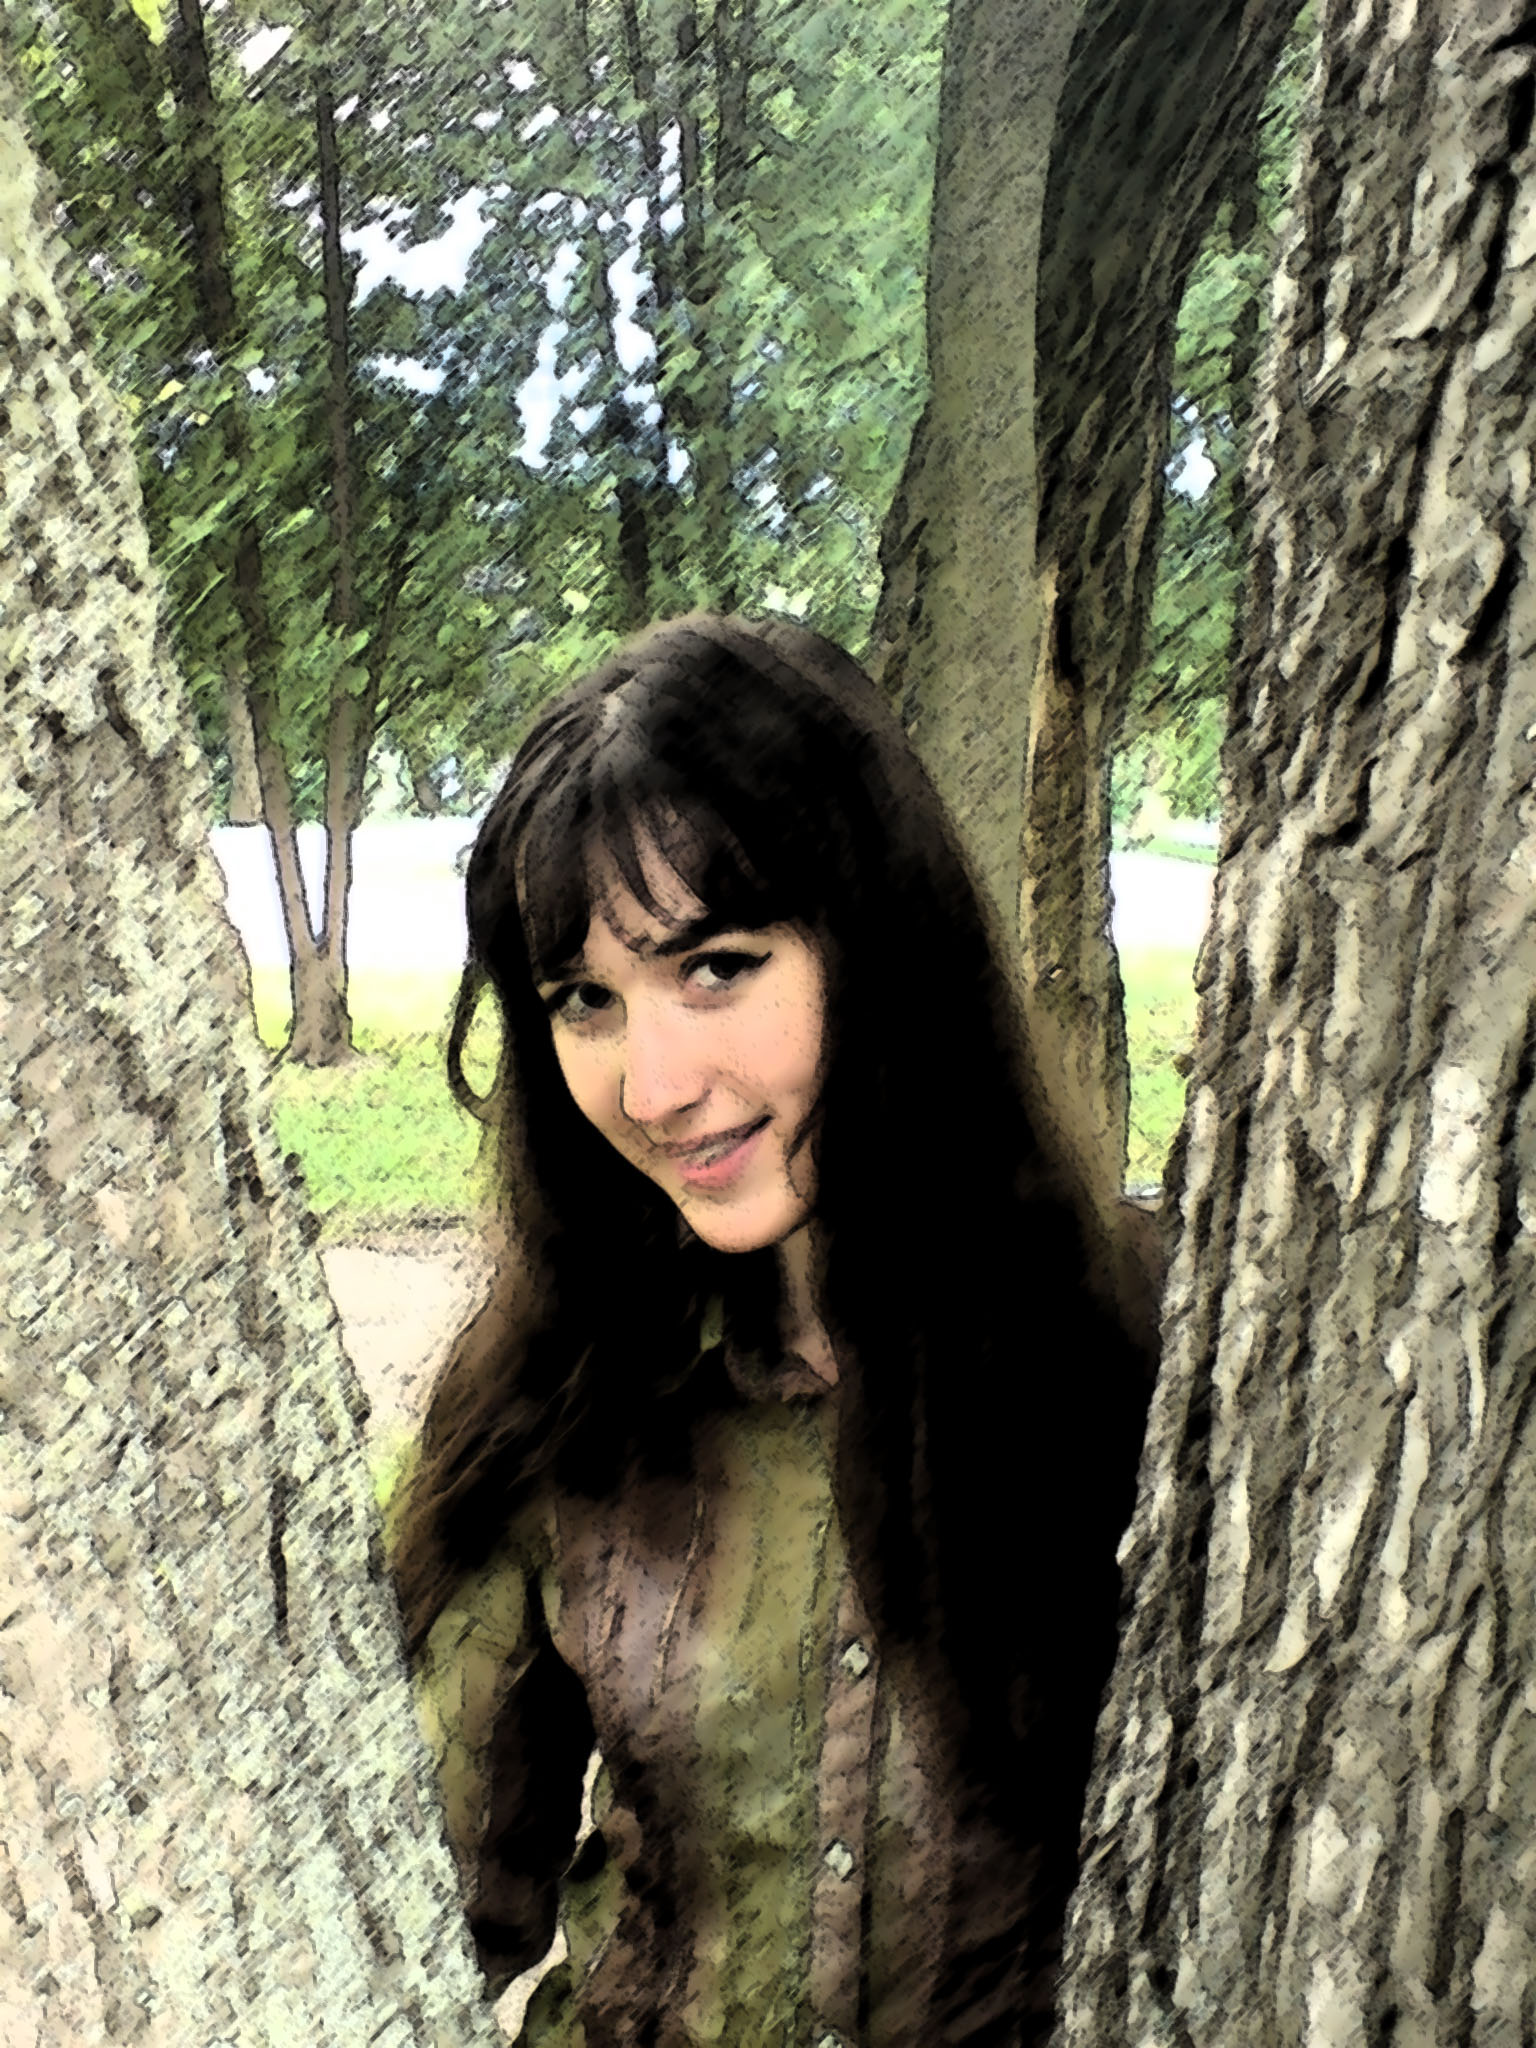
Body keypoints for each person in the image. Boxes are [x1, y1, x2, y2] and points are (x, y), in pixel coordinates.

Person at [387, 612, 1151, 2047]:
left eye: (717, 966)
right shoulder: (554, 1394)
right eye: (585, 1000)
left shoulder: (1139, 1352)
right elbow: (408, 1904)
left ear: (878, 939)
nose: (654, 1085)